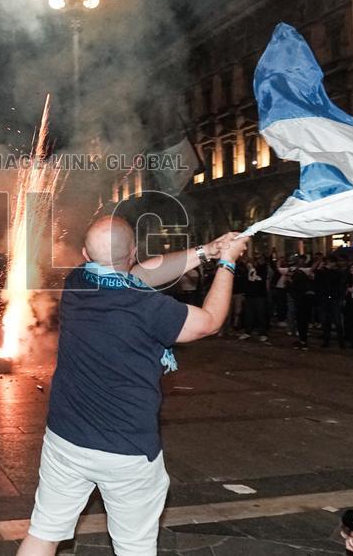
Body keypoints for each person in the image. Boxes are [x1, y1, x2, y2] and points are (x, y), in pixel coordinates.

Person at [16, 219, 247, 556]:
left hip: (65, 439)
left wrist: (206, 251)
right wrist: (227, 262)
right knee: (134, 547)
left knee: (43, 533)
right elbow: (209, 322)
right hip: (127, 449)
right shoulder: (148, 307)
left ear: (85, 254)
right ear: (133, 252)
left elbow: (138, 273)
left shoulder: (78, 281)